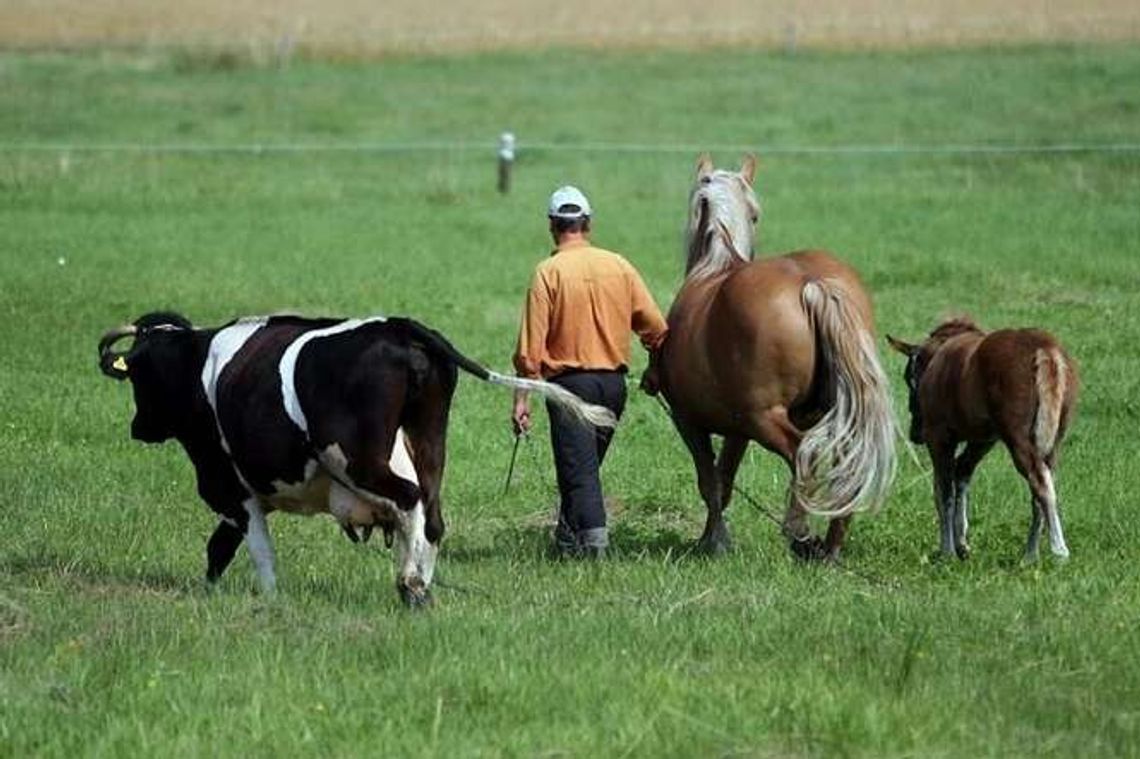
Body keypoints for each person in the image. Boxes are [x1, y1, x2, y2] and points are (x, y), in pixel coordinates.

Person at [512, 185, 668, 558]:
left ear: (553, 225)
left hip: (570, 388)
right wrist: (656, 371)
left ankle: (595, 552)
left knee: (580, 472)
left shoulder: (548, 271)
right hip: (613, 386)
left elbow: (530, 351)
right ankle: (565, 544)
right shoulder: (619, 265)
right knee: (581, 466)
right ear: (587, 224)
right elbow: (657, 329)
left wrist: (521, 400)